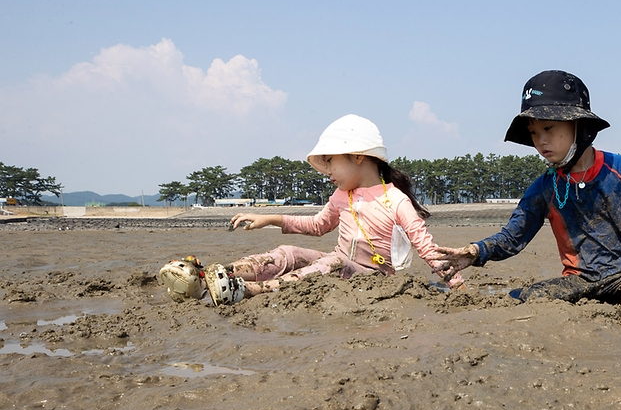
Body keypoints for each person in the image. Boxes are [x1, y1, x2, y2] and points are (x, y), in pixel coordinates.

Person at [434, 70, 621, 303]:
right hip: (578, 281)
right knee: (520, 298)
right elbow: (513, 237)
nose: (540, 141)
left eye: (548, 128)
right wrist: (476, 251)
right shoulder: (544, 188)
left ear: (579, 126)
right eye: (534, 132)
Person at [159, 114, 463, 305]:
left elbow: (427, 248)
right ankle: (212, 276)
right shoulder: (342, 195)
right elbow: (318, 225)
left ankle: (244, 291)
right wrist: (269, 218)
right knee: (289, 252)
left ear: (358, 157)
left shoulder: (395, 200)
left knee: (326, 267)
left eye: (330, 161)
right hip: (339, 260)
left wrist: (458, 286)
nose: (326, 170)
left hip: (373, 278)